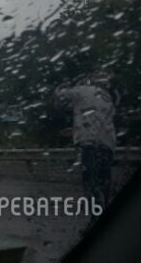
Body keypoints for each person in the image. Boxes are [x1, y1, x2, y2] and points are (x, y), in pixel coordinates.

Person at [56, 74, 116, 206]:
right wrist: (75, 130)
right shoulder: (107, 97)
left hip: (90, 144)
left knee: (90, 180)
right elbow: (99, 121)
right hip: (108, 144)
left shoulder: (82, 90)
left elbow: (60, 94)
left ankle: (95, 214)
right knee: (104, 179)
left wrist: (66, 84)